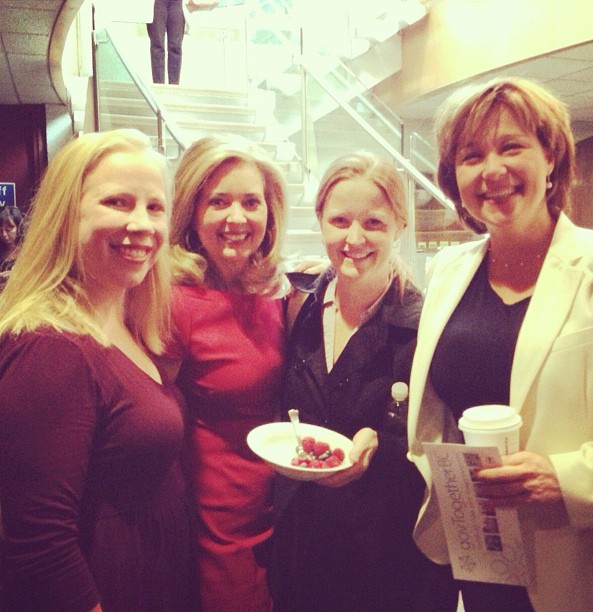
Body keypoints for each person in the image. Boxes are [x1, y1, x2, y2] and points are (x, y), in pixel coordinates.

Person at [408, 77, 593, 612]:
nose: (491, 170)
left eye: (512, 146)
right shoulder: (449, 270)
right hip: (481, 553)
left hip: (576, 556)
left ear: (551, 158)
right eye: (471, 155)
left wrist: (567, 477)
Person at [0, 129, 197, 612]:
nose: (142, 224)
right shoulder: (50, 346)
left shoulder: (122, 322)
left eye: (155, 207)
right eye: (117, 202)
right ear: (67, 214)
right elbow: (41, 545)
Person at [270, 152, 458, 612]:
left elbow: (446, 449)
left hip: (388, 566)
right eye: (339, 220)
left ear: (400, 225)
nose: (354, 238)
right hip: (303, 555)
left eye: (373, 222)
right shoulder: (298, 306)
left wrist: (385, 448)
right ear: (320, 222)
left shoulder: (428, 326)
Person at [166, 134, 287, 611]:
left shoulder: (277, 291)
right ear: (192, 213)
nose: (237, 218)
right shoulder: (173, 300)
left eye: (250, 202)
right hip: (215, 518)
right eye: (219, 202)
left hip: (278, 498)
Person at [147, 0, 186, 84]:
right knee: (157, 45)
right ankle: (158, 84)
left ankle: (174, 85)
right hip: (157, 2)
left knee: (176, 46)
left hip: (177, 2)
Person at [0, 206, 25, 289]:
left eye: (8, 230)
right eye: (0, 230)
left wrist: (14, 275)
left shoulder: (27, 251)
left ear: (19, 228)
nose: (4, 234)